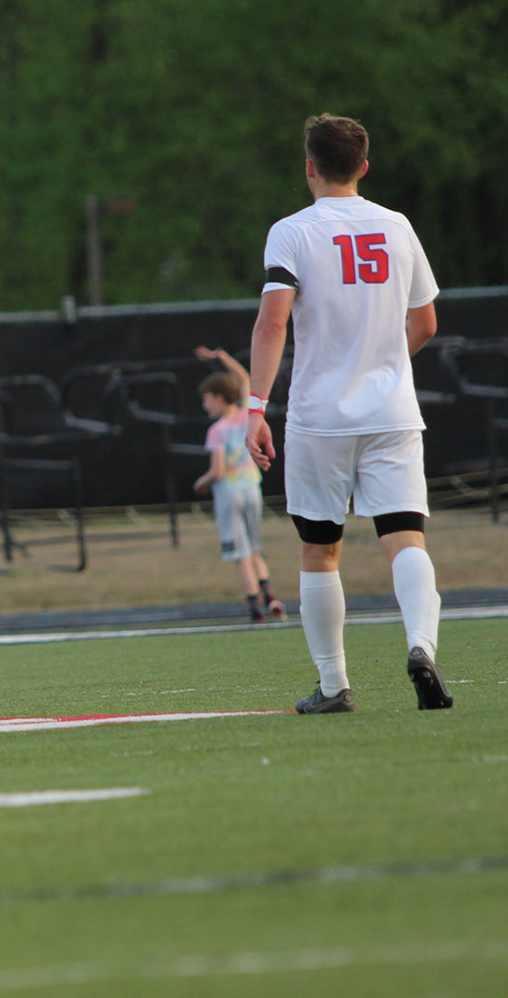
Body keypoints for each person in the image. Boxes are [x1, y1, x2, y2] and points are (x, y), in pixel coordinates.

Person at [244, 114, 450, 714]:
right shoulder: (398, 225)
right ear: (363, 166)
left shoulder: (292, 232)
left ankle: (334, 686)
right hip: (392, 412)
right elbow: (425, 322)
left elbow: (273, 324)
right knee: (405, 538)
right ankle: (421, 645)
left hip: (320, 418)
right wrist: (383, 362)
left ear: (309, 167)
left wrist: (255, 409)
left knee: (319, 549)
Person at [190, 347, 281, 623]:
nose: (205, 406)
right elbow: (244, 379)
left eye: (207, 400)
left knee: (240, 554)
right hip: (252, 489)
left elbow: (217, 471)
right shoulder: (245, 417)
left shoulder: (217, 431)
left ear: (219, 398)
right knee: (254, 548)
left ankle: (255, 608)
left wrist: (201, 483)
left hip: (229, 495)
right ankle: (271, 597)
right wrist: (222, 357)